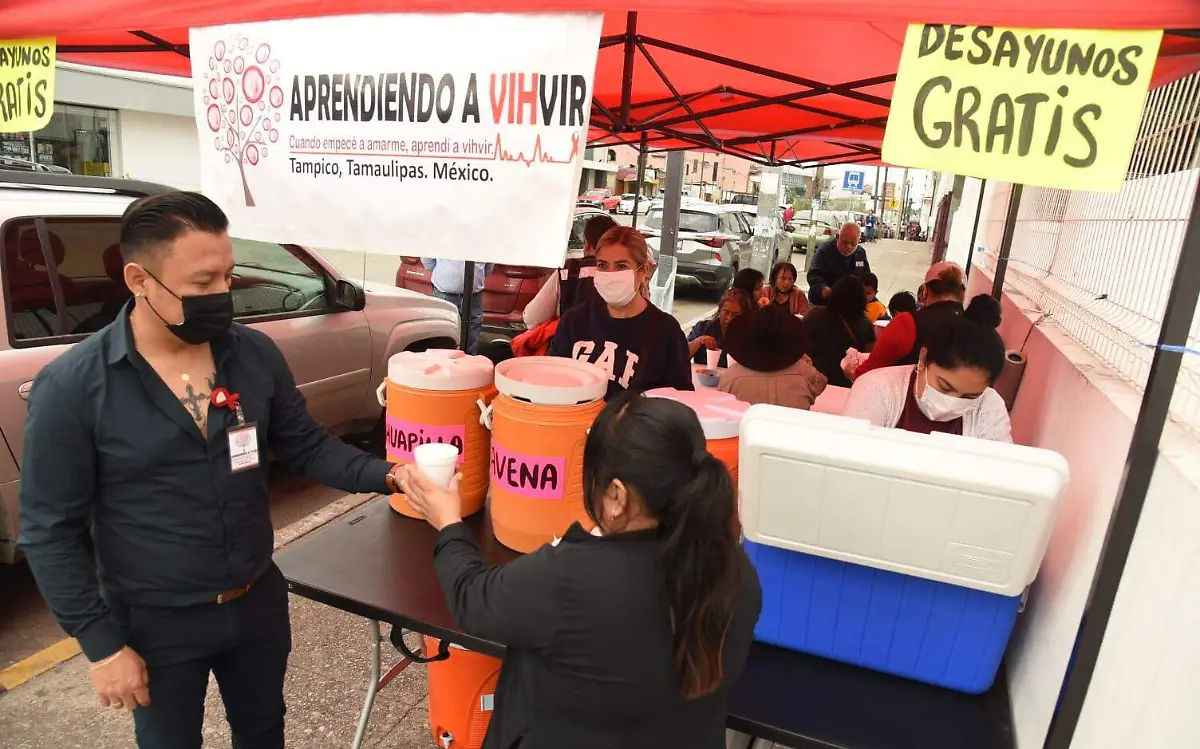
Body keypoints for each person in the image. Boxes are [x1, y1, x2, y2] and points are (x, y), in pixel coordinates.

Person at [17, 193, 403, 748]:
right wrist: (101, 644)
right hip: (155, 622)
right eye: (202, 284)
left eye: (227, 276)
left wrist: (393, 476)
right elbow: (48, 532)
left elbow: (306, 447)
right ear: (138, 279)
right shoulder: (74, 387)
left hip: (256, 604)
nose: (222, 295)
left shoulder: (253, 355)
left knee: (264, 731)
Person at [398, 393, 761, 749]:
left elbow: (471, 597)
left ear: (618, 497)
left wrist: (447, 520)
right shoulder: (738, 571)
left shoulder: (571, 580)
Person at [548, 226, 693, 398]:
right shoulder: (574, 321)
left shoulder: (666, 332)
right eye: (602, 265)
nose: (611, 274)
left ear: (643, 272)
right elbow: (553, 380)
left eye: (621, 266)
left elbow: (680, 402)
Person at [841, 302, 1011, 441]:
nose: (952, 403)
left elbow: (998, 471)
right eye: (944, 387)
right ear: (923, 359)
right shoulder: (876, 389)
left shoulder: (989, 407)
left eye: (969, 397)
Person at [852, 261, 966, 379]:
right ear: (962, 294)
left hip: (904, 395)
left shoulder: (906, 323)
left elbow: (868, 371)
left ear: (925, 291)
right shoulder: (976, 327)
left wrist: (851, 370)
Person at [719, 305, 827, 409]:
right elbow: (821, 384)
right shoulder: (806, 372)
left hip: (748, 427)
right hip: (794, 427)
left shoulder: (730, 379)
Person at [523, 214, 618, 329]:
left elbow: (532, 318)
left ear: (586, 244)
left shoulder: (568, 271)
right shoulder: (627, 275)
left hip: (571, 343)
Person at [801, 276, 877, 388]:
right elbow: (868, 357)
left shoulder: (814, 314)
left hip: (811, 380)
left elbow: (798, 343)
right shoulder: (865, 325)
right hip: (844, 385)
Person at [423, 258, 492, 354]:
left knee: (471, 332)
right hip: (446, 294)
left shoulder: (483, 242)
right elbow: (428, 259)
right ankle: (443, 363)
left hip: (473, 295)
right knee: (442, 333)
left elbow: (488, 264)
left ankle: (467, 362)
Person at [688, 288, 752, 368]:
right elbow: (680, 356)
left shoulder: (749, 335)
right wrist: (698, 341)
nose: (729, 318)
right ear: (720, 310)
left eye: (735, 315)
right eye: (726, 312)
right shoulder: (703, 328)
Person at [806, 222, 870, 302]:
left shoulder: (860, 253)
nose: (849, 247)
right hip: (825, 302)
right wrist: (822, 288)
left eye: (853, 243)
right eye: (845, 242)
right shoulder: (824, 251)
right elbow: (814, 275)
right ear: (837, 237)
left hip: (851, 303)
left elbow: (867, 277)